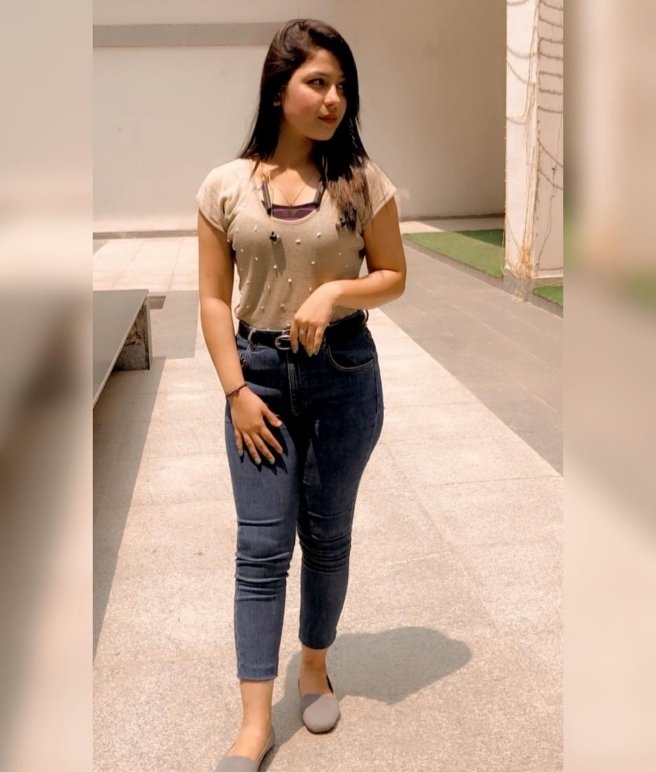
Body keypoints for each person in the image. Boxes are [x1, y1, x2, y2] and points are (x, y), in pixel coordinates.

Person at [197, 18, 406, 771]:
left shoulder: (361, 180)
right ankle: (254, 723)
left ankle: (313, 666)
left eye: (342, 86)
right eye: (317, 82)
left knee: (326, 538)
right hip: (257, 381)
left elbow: (394, 275)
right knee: (260, 549)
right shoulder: (225, 186)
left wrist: (335, 292)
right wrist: (235, 391)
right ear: (278, 88)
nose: (333, 99)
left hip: (343, 377)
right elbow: (213, 299)